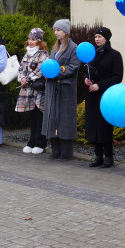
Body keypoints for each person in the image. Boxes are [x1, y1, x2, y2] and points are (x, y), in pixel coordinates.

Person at [84, 27, 124, 168]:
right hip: (92, 95)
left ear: (106, 38)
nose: (96, 39)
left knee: (104, 126)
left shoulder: (115, 55)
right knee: (93, 126)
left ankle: (108, 156)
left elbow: (117, 77)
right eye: (95, 37)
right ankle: (98, 155)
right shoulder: (91, 54)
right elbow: (87, 71)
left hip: (106, 95)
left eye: (99, 36)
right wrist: (87, 80)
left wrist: (99, 85)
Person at [43, 19, 80, 160]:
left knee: (65, 120)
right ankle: (55, 150)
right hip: (53, 88)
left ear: (65, 32)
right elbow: (49, 65)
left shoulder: (73, 48)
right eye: (55, 30)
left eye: (58, 30)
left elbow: (73, 67)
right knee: (52, 119)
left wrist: (56, 72)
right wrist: (47, 74)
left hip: (65, 90)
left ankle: (66, 152)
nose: (56, 33)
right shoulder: (54, 48)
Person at [16, 27, 49, 154]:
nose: (30, 41)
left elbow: (40, 70)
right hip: (27, 90)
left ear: (39, 41)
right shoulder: (27, 53)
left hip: (38, 90)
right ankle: (32, 140)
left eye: (34, 39)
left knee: (38, 116)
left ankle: (41, 142)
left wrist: (28, 79)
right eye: (29, 39)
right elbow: (20, 69)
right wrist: (22, 79)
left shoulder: (43, 53)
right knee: (32, 116)